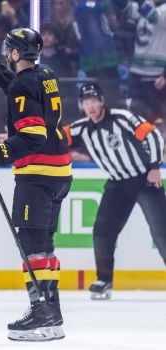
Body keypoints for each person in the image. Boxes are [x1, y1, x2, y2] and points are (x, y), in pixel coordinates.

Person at [0, 28, 72, 342]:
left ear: (15, 54)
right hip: (60, 172)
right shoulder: (47, 73)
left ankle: (40, 312)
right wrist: (2, 78)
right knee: (46, 245)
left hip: (36, 174)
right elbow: (32, 95)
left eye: (9, 51)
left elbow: (33, 136)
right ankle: (53, 315)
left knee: (31, 247)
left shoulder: (21, 84)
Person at [63, 82, 166, 300]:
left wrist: (155, 166)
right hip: (118, 184)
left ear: (102, 102)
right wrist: (21, 137)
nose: (90, 106)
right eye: (86, 102)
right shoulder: (81, 127)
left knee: (161, 233)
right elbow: (55, 138)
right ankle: (104, 280)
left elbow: (153, 135)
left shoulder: (122, 118)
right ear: (82, 105)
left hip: (145, 179)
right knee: (102, 231)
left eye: (94, 101)